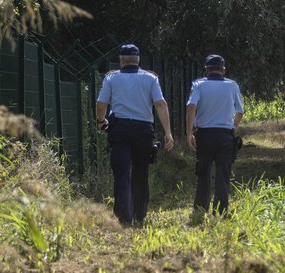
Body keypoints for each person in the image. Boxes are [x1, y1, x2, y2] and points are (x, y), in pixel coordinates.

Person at [95, 43, 174, 226]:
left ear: (121, 60)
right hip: (143, 131)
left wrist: (101, 121)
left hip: (119, 130)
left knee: (121, 173)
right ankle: (140, 213)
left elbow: (101, 104)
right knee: (141, 171)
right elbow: (160, 104)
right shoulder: (150, 79)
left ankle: (124, 217)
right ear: (138, 60)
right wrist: (168, 132)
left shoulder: (111, 78)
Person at [186, 54, 244, 217]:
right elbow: (240, 111)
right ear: (223, 70)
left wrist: (189, 132)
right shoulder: (232, 86)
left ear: (206, 70)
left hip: (204, 135)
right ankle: (220, 211)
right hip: (225, 136)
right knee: (223, 174)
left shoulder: (198, 85)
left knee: (203, 173)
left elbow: (191, 107)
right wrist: (234, 127)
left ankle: (200, 210)